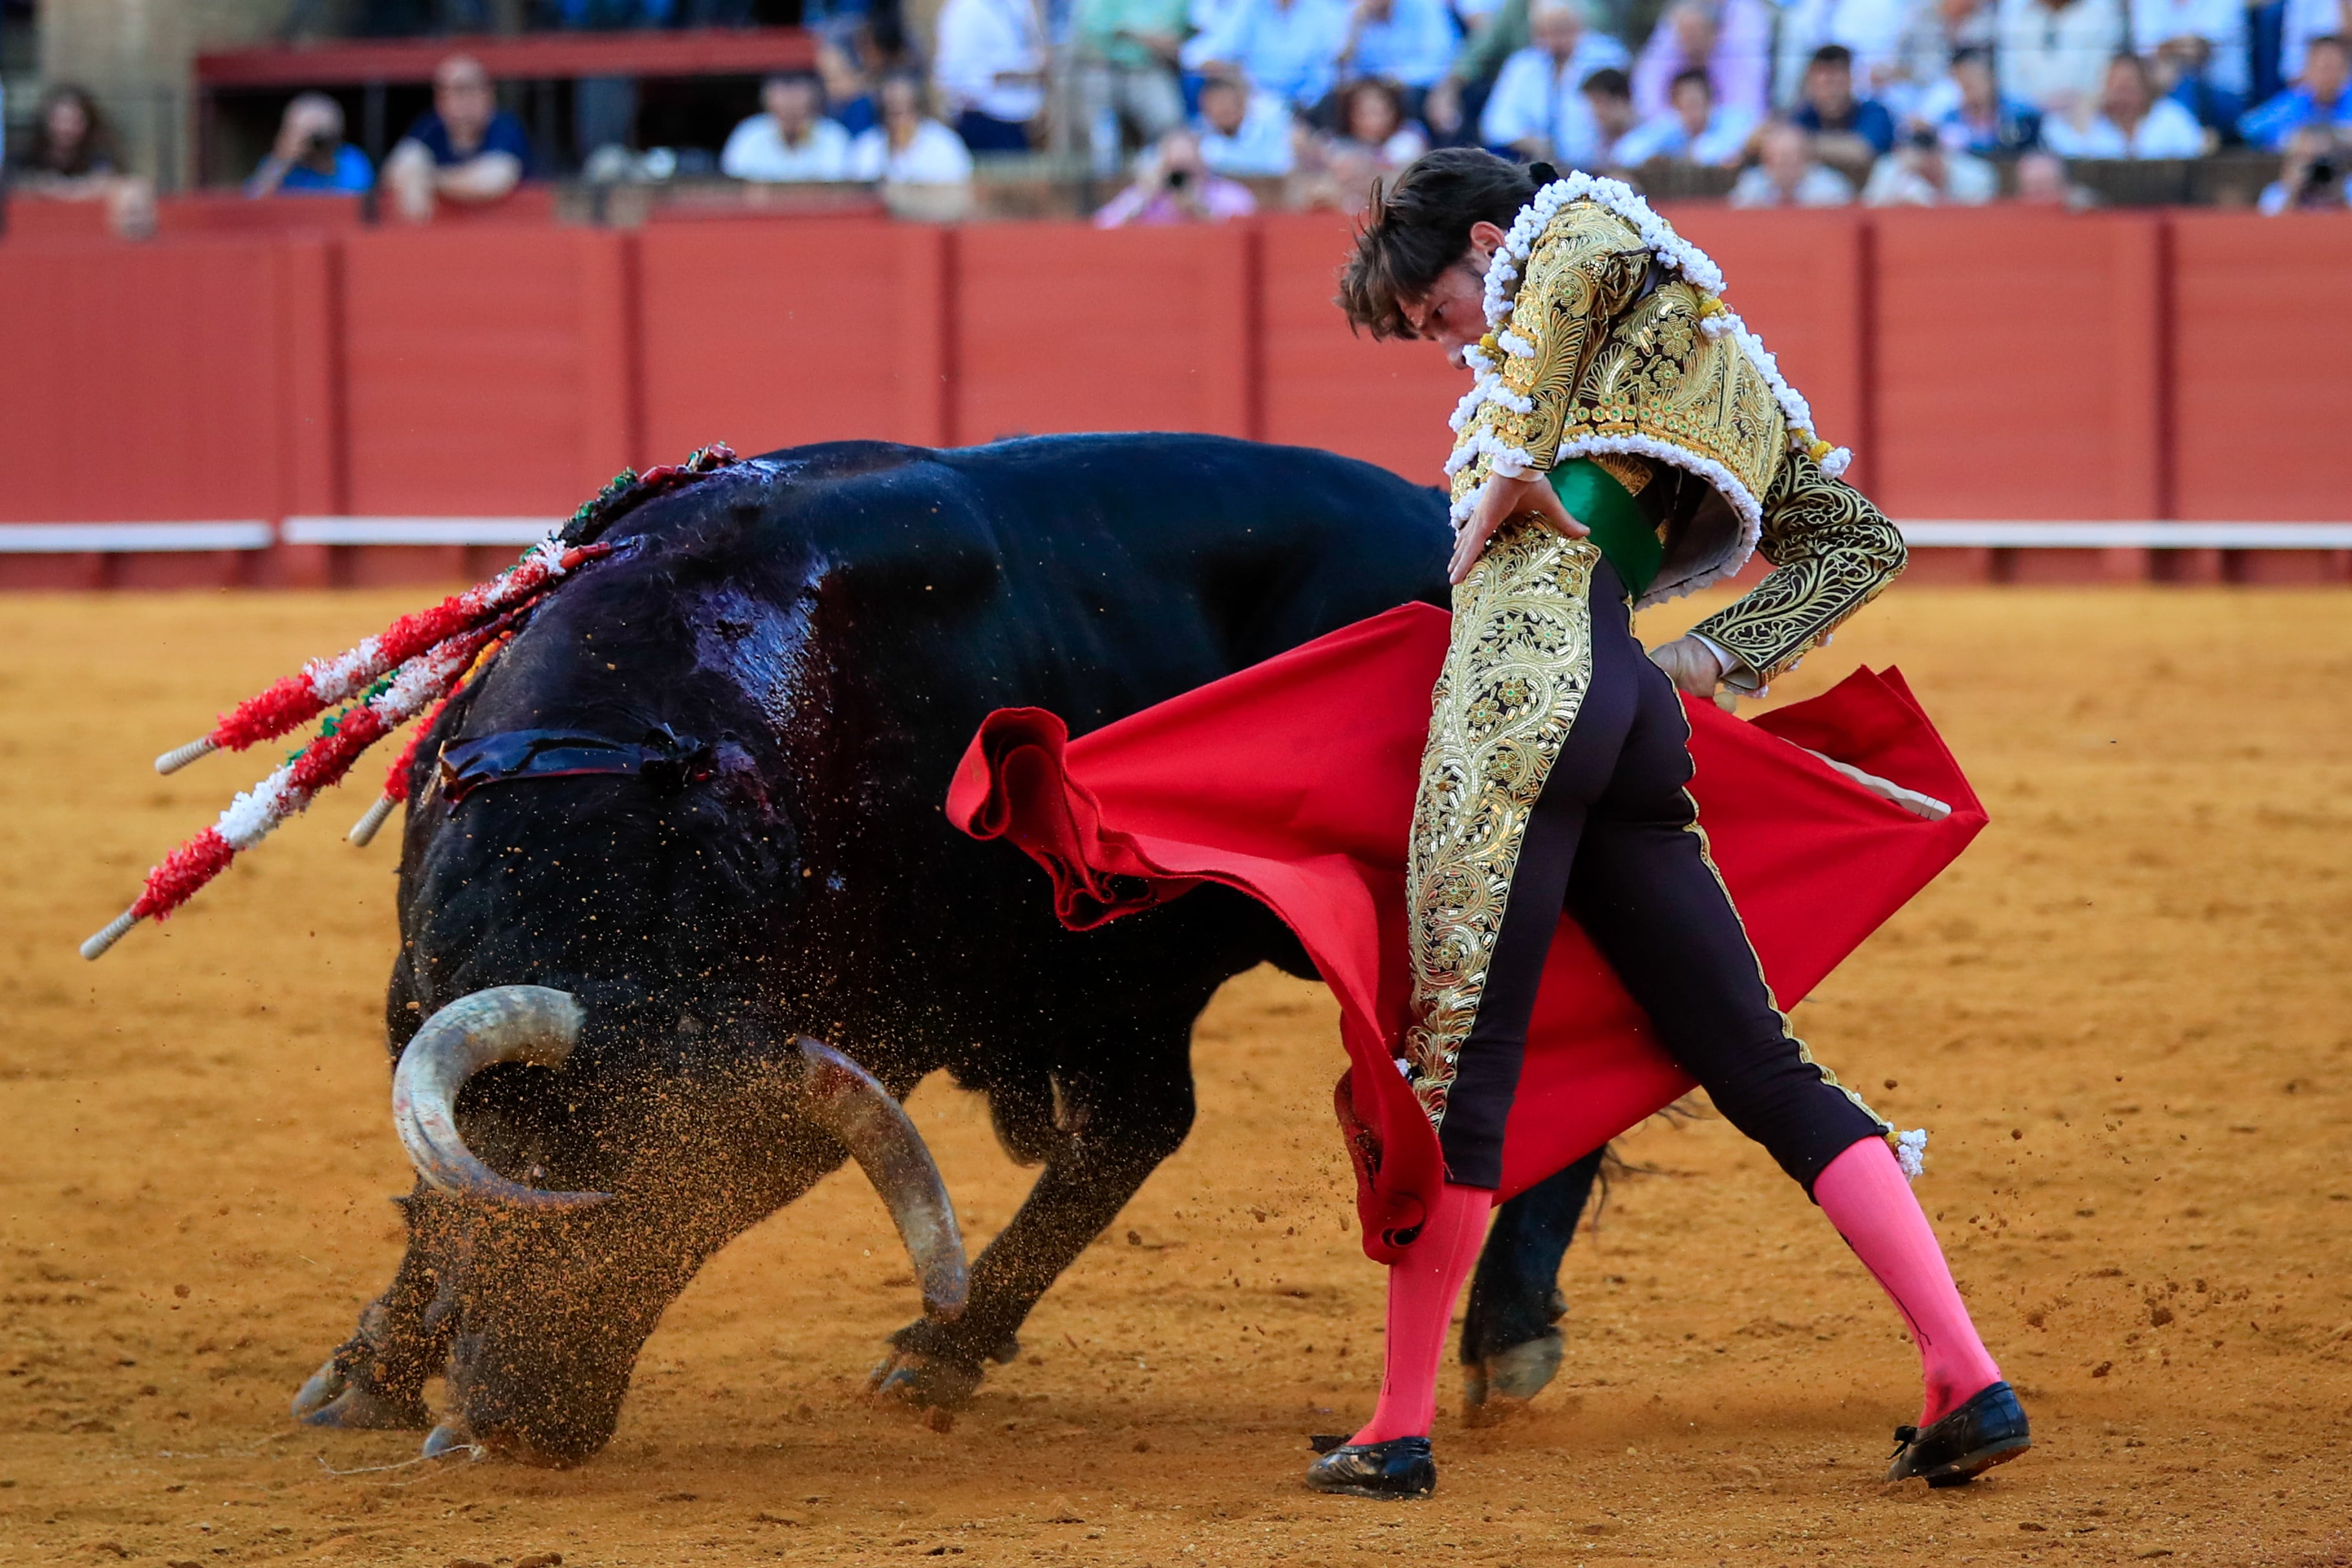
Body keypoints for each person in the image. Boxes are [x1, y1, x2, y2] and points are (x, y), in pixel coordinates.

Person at [1311, 147, 2027, 1501]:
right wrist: (1709, 662)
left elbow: (1574, 234)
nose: (1441, 337)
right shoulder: (1721, 368)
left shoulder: (1573, 238)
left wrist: (1512, 461)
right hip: (1630, 702)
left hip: (1526, 684)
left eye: (1433, 306)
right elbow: (1855, 540)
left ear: (1481, 235)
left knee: (1456, 1065)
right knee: (1758, 1061)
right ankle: (1965, 1373)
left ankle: (1397, 1427)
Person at [1477, 0, 1634, 162]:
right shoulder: (1522, 64)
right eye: (1544, 32)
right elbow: (1496, 123)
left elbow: (1625, 113)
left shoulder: (1609, 57)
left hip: (1600, 160)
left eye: (1561, 29)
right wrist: (1533, 143)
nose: (1553, 39)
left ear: (1579, 25)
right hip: (1538, 161)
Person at [383, 55, 532, 224]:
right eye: (448, 91)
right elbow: (400, 168)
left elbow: (492, 181)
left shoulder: (505, 128)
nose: (459, 100)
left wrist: (429, 181)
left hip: (506, 233)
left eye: (466, 89)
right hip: (440, 240)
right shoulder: (431, 128)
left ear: (488, 93)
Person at [14, 83, 156, 239]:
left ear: (87, 123)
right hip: (40, 235)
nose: (66, 128)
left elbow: (111, 181)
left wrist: (65, 190)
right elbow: (16, 183)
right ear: (47, 122)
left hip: (98, 237)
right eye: (60, 120)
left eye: (74, 121)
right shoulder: (29, 154)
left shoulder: (100, 153)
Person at [1074, 0, 1190, 173]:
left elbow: (1183, 29)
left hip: (1152, 68)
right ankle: (1103, 181)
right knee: (1103, 132)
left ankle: (1165, 182)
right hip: (1104, 68)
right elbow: (1093, 26)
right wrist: (1141, 37)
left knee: (1171, 124)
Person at [1181, 0, 1357, 111]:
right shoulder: (1250, 7)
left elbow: (1341, 52)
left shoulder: (1324, 8)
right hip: (1258, 104)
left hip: (1312, 104)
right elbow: (1196, 54)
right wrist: (1231, 72)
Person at [933, 0, 1048, 153]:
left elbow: (1035, 55)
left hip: (1025, 124)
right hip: (987, 122)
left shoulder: (1019, 5)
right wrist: (1002, 76)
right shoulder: (964, 9)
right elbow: (950, 77)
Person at [1630, 0, 1771, 123]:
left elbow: (1747, 112)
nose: (1689, 41)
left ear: (1712, 33)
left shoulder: (1737, 55)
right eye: (1684, 34)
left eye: (1695, 33)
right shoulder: (1668, 49)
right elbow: (1647, 97)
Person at [2042, 50, 2208, 154]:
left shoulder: (2171, 118)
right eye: (2114, 83)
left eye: (2128, 84)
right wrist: (2083, 117)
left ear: (2144, 86)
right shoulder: (2091, 120)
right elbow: (2069, 159)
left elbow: (2196, 154)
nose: (2121, 91)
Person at [1094, 127, 1261, 222]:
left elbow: (1246, 229)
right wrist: (1143, 196)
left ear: (1202, 165)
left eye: (1188, 168)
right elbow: (1102, 227)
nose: (1182, 177)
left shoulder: (1229, 195)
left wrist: (1202, 209)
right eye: (1175, 168)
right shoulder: (1149, 195)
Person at [847, 68, 980, 186]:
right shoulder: (867, 146)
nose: (898, 121)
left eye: (903, 111)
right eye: (890, 112)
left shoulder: (944, 145)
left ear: (918, 109)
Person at [1996, 0, 2126, 117]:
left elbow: (2103, 77)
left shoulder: (2100, 16)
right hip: (2026, 118)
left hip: (2086, 117)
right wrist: (2039, 106)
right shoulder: (2015, 16)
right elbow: (2009, 82)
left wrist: (2077, 103)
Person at [1610, 65, 1759, 164]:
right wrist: (1654, 158)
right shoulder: (1670, 125)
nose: (1691, 111)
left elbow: (1725, 150)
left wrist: (1687, 155)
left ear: (1710, 101)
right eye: (1684, 105)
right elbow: (1624, 153)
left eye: (1696, 103)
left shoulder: (1734, 119)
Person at [720, 72, 853, 181]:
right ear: (767, 101)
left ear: (813, 100)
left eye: (796, 94)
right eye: (782, 92)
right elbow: (735, 191)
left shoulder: (834, 137)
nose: (790, 104)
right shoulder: (749, 135)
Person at [1923, 45, 2045, 156]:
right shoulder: (1950, 119)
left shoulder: (2020, 112)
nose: (1968, 84)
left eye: (1974, 76)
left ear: (1991, 76)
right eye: (1962, 79)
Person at [1337, 0, 1463, 104]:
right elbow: (1344, 74)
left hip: (1419, 88)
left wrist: (1400, 77)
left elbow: (1442, 60)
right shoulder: (1354, 15)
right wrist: (1355, 31)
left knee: (1411, 99)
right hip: (1371, 90)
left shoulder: (1425, 6)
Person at [246, 93, 374, 196]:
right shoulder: (281, 162)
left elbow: (355, 205)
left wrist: (326, 165)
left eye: (318, 135)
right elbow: (252, 201)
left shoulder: (350, 160)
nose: (313, 142)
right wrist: (281, 160)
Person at [2239, 32, 2352, 146]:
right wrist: (2291, 137)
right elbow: (2249, 128)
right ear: (2307, 69)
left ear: (2346, 71)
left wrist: (2337, 136)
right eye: (2322, 67)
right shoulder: (2295, 99)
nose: (2327, 75)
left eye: (2333, 67)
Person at [1793, 44, 1897, 164]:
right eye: (1824, 83)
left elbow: (1862, 150)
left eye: (1837, 82)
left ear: (1850, 80)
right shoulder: (1804, 116)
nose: (1831, 91)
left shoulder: (1874, 113)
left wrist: (1803, 144)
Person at [1728, 118, 1859, 202]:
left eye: (1790, 159)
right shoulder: (1752, 186)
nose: (1784, 168)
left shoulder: (1830, 189)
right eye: (1776, 160)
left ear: (1806, 160)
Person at [1196, 71, 1302, 174]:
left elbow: (1281, 166)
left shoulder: (1271, 123)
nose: (1222, 109)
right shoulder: (1204, 140)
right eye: (1215, 105)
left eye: (1226, 104)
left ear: (1242, 102)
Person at [1862, 123, 2000, 200]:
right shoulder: (1890, 168)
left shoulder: (1976, 176)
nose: (1928, 165)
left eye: (1932, 156)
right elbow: (1872, 207)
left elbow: (1979, 220)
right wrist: (1902, 173)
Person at [2257, 121, 2349, 206]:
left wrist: (2339, 192)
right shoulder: (2277, 192)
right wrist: (2294, 192)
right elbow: (2273, 223)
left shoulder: (2348, 188)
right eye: (2308, 159)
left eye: (2323, 160)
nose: (2317, 168)